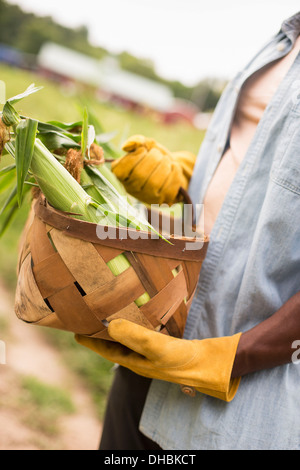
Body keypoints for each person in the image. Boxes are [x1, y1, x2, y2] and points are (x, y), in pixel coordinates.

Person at [76, 11, 300, 450]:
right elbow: (255, 172)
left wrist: (220, 360)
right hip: (160, 346)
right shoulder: (282, 39)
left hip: (242, 400)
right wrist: (187, 178)